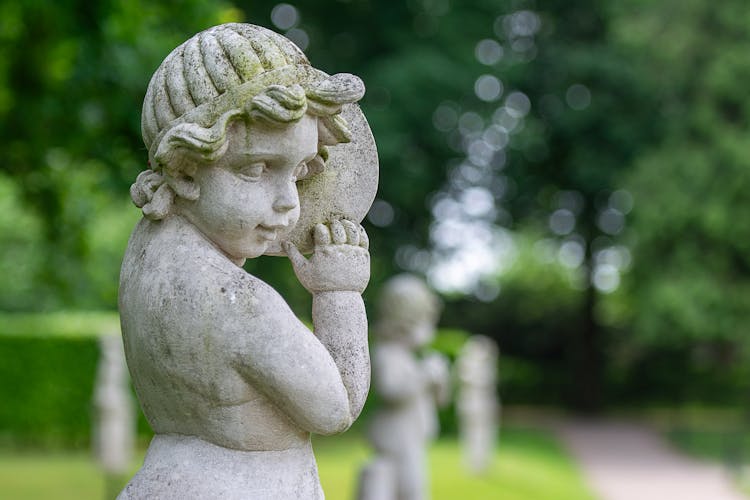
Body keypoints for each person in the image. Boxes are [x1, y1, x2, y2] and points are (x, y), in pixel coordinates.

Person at [118, 23, 371, 499]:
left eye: (297, 174)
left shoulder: (146, 255)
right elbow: (336, 408)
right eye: (257, 169)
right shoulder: (242, 305)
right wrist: (339, 294)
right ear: (186, 169)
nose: (289, 204)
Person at [358, 275, 450, 500]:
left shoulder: (411, 359)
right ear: (405, 323)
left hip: (413, 437)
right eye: (425, 322)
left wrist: (440, 381)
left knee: (412, 487)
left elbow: (441, 401)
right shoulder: (387, 353)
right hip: (397, 439)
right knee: (412, 490)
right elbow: (390, 390)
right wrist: (425, 375)